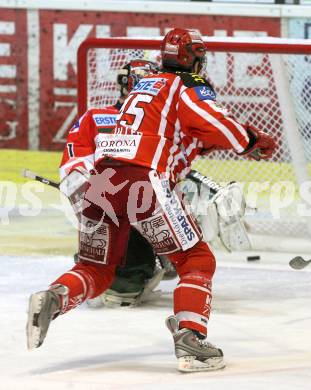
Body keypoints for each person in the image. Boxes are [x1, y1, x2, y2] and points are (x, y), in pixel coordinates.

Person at [26, 28, 276, 372]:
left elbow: (196, 134)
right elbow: (219, 125)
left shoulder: (142, 89)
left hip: (103, 181)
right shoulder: (186, 85)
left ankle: (54, 297)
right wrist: (251, 140)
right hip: (144, 182)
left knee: (95, 269)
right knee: (196, 260)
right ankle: (190, 340)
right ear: (194, 57)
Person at [59, 59, 164, 307]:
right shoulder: (96, 117)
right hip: (114, 207)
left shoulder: (161, 124)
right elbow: (74, 165)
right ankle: (120, 272)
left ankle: (112, 269)